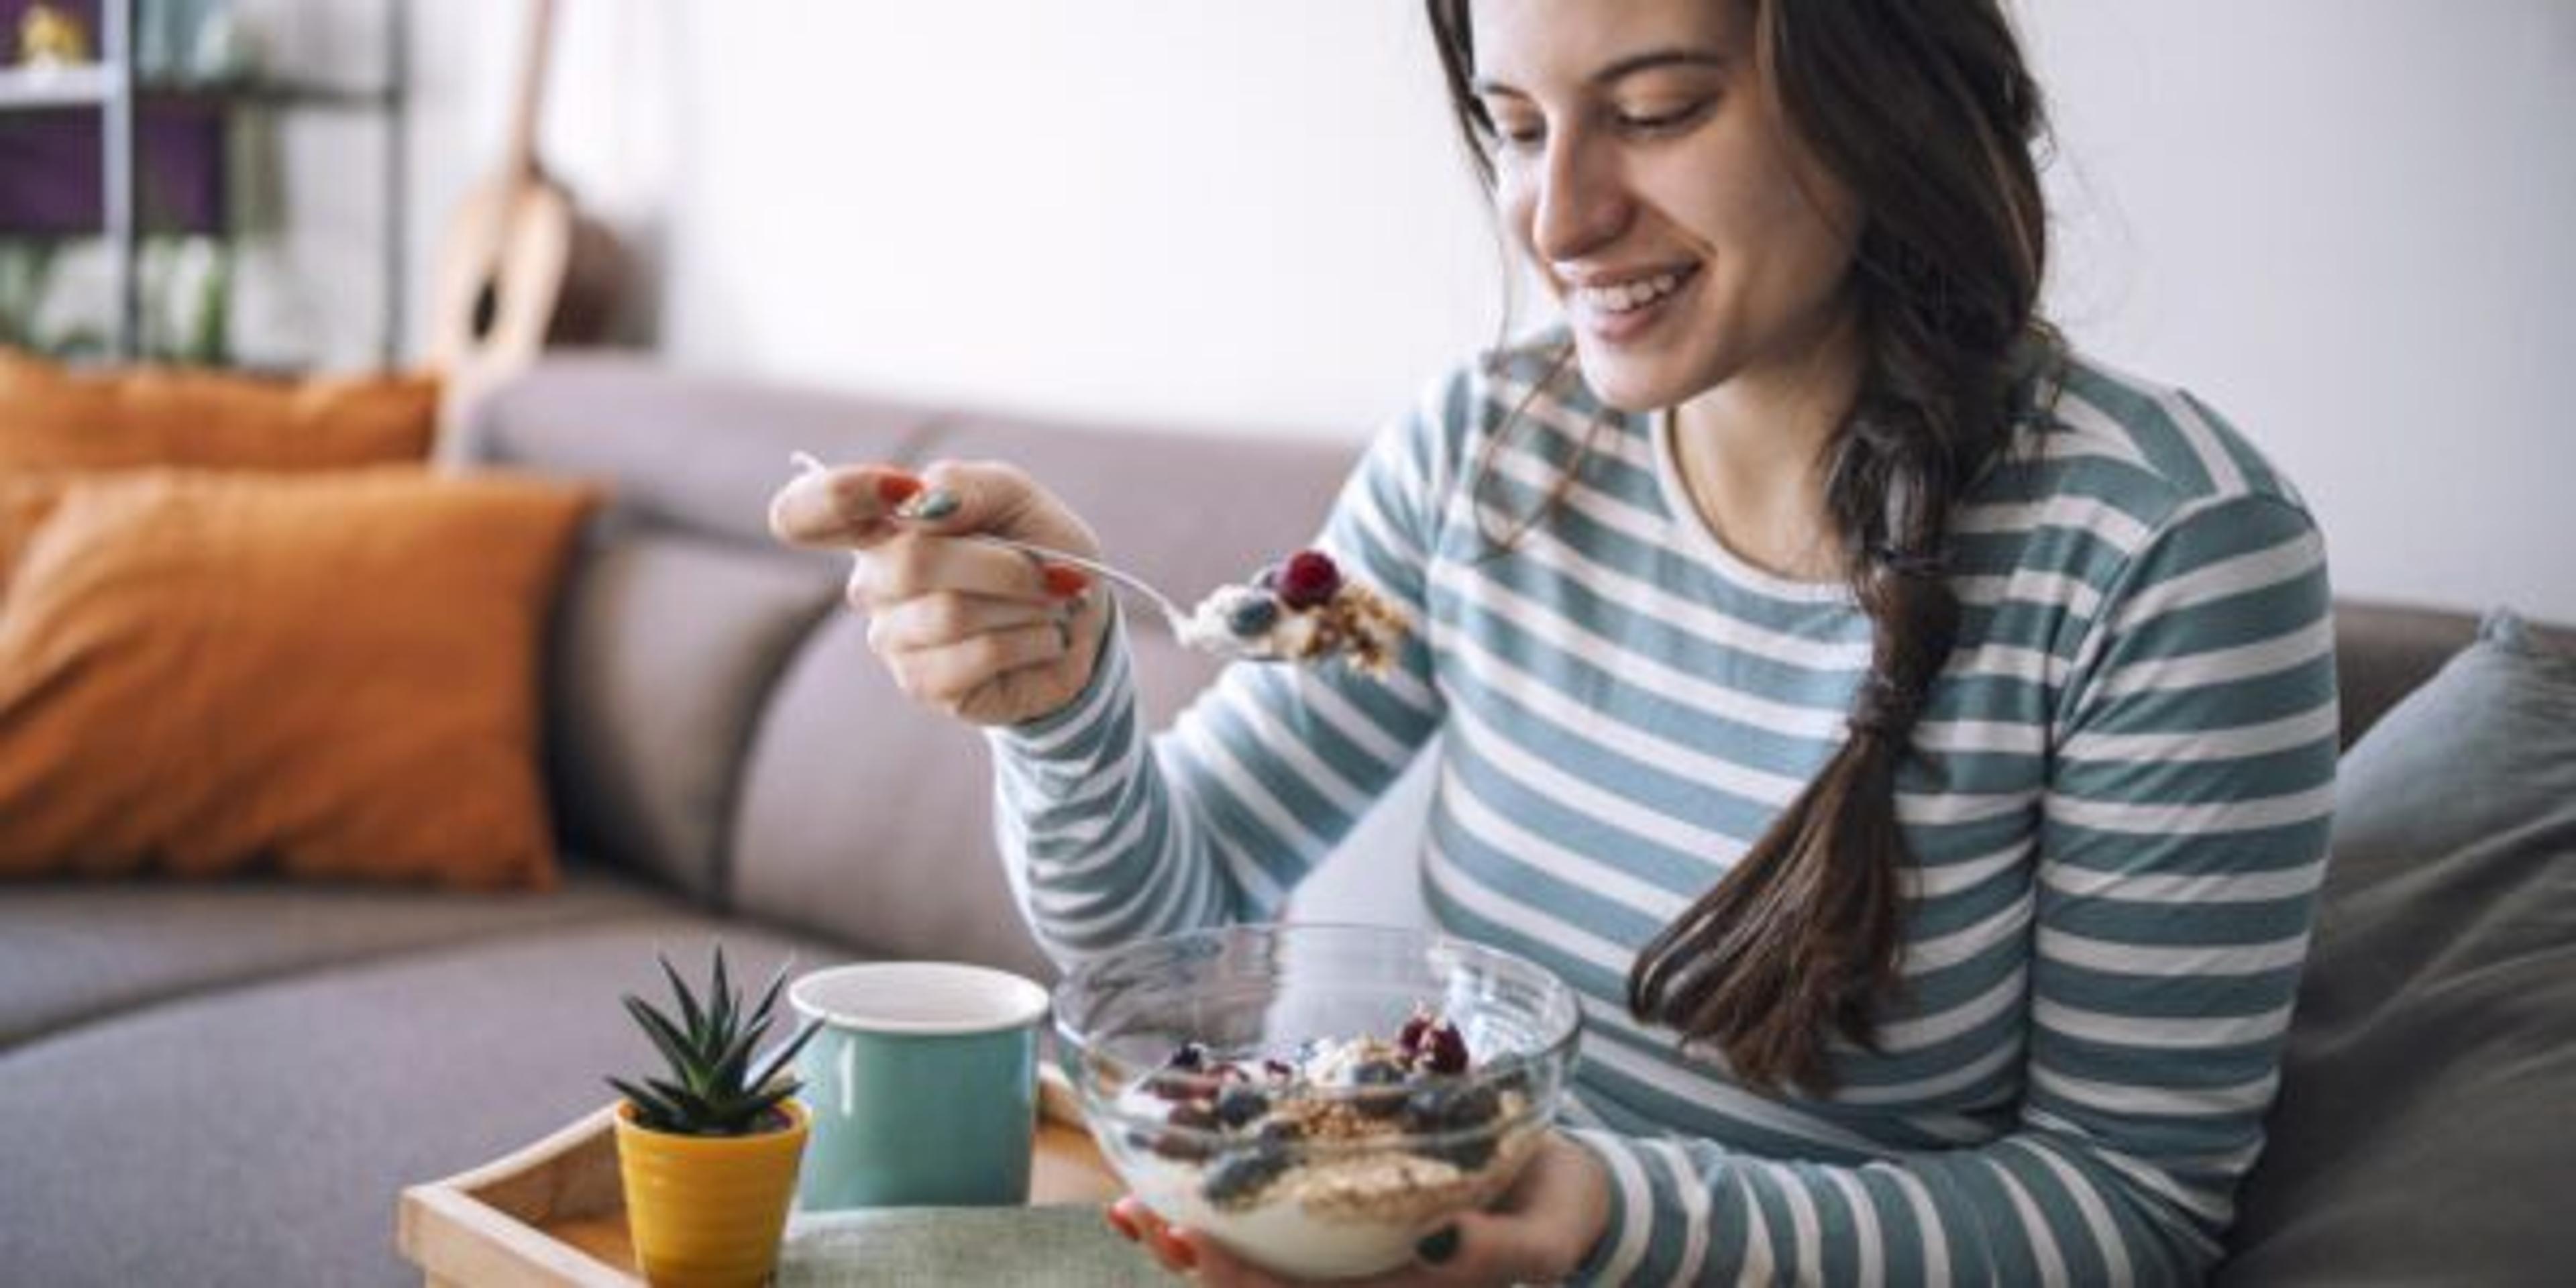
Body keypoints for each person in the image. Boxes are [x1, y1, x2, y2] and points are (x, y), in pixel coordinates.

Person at [768, 0, 2338, 1281]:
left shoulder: (2168, 554)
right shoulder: (1488, 450)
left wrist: (1613, 1220)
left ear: (1887, 99)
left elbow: (2132, 1208)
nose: (1562, 216)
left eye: (1656, 111)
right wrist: (1061, 709)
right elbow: (1158, 946)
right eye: (1517, 127)